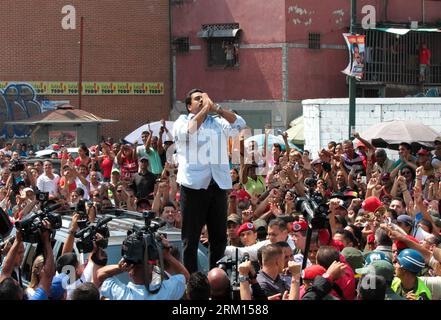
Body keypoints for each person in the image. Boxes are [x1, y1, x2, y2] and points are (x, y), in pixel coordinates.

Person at [173, 88, 246, 273]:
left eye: (204, 98)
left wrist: (217, 109)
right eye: (197, 99)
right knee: (191, 239)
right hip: (194, 188)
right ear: (189, 106)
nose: (202, 101)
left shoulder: (217, 122)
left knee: (219, 238)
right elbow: (188, 133)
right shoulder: (182, 121)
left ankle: (217, 278)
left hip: (217, 186)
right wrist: (205, 109)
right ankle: (193, 282)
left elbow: (240, 124)